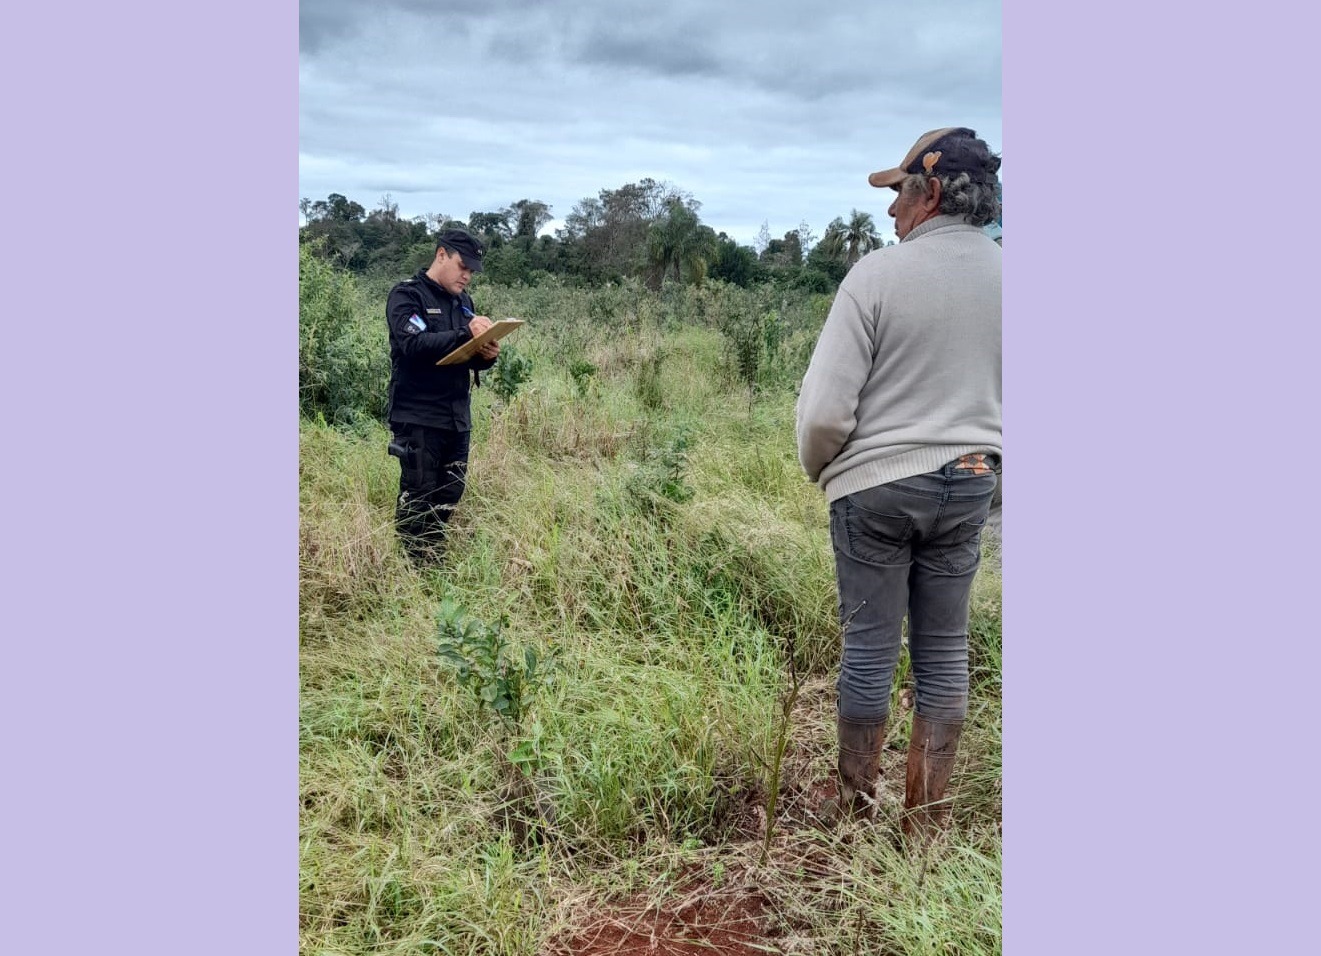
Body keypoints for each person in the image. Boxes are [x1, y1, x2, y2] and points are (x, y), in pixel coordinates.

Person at [796, 128, 1002, 842]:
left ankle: (853, 807)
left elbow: (824, 412)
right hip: (972, 479)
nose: (890, 213)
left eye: (898, 194)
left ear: (932, 191)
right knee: (944, 651)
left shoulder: (878, 276)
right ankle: (923, 818)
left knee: (869, 651)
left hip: (878, 490)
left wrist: (824, 468)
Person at [385, 228, 501, 564]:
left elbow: (466, 354)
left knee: (450, 492)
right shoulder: (407, 296)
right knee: (418, 493)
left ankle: (432, 557)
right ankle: (411, 567)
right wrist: (466, 332)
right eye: (462, 266)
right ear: (441, 255)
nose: (467, 275)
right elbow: (413, 346)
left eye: (472, 270)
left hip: (456, 414)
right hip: (418, 415)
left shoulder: (464, 303)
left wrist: (487, 354)